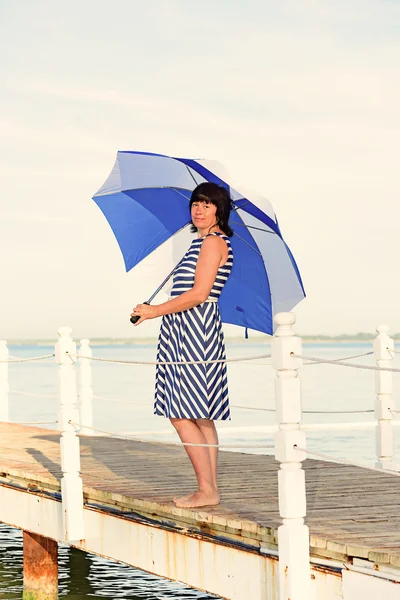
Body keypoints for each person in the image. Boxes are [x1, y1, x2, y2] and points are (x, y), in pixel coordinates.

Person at [131, 182, 234, 508]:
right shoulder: (199, 243)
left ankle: (207, 490)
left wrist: (153, 311)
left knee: (182, 413)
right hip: (186, 329)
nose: (199, 209)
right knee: (201, 415)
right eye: (195, 203)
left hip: (194, 331)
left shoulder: (213, 243)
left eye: (207, 204)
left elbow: (199, 294)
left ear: (219, 210)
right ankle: (209, 488)